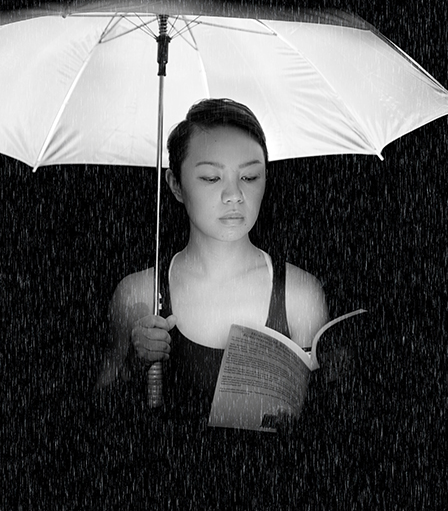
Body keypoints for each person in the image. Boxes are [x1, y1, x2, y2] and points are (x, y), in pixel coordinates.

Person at [94, 98, 330, 419]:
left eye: (249, 177)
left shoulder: (299, 295)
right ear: (175, 184)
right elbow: (98, 418)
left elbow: (327, 426)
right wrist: (133, 367)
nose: (233, 195)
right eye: (210, 178)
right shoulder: (139, 293)